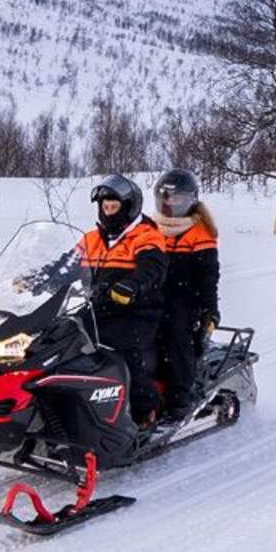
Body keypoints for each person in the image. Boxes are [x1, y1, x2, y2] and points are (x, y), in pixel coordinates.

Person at [78, 174, 168, 426]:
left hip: (136, 309)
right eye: (105, 207)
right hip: (98, 307)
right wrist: (36, 279)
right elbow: (63, 265)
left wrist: (132, 284)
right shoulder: (91, 239)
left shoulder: (145, 235)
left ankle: (144, 411)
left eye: (114, 207)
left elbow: (152, 267)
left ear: (128, 207)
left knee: (122, 349)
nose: (108, 212)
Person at [152, 169, 220, 423]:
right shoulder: (151, 228)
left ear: (190, 200)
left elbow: (208, 276)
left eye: (176, 199)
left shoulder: (199, 233)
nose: (170, 203)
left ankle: (180, 397)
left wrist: (209, 309)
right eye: (166, 197)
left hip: (184, 299)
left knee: (175, 336)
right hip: (150, 297)